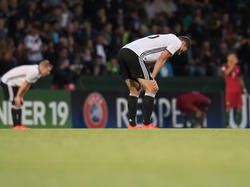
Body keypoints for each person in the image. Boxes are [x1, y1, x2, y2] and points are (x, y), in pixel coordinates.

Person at [118, 34, 191, 129]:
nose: (179, 53)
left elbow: (147, 62)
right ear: (182, 43)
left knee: (135, 89)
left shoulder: (166, 39)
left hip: (123, 52)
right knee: (152, 89)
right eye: (182, 50)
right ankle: (146, 125)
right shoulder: (176, 42)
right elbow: (162, 58)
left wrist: (148, 77)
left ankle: (132, 125)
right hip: (134, 54)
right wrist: (152, 78)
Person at [0, 60, 53, 129]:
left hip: (14, 84)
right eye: (48, 70)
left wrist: (21, 96)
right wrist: (18, 96)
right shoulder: (35, 71)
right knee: (16, 102)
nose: (48, 73)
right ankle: (16, 126)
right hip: (7, 82)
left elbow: (28, 85)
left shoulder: (38, 73)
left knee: (19, 103)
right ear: (43, 68)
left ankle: (18, 126)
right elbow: (25, 84)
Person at [221, 52, 248, 128]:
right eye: (232, 56)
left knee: (239, 107)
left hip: (238, 90)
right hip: (229, 90)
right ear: (228, 58)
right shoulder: (224, 66)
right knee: (228, 107)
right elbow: (226, 73)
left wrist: (245, 90)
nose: (233, 58)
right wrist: (233, 65)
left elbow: (240, 80)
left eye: (234, 56)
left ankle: (238, 125)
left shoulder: (238, 68)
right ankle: (227, 125)